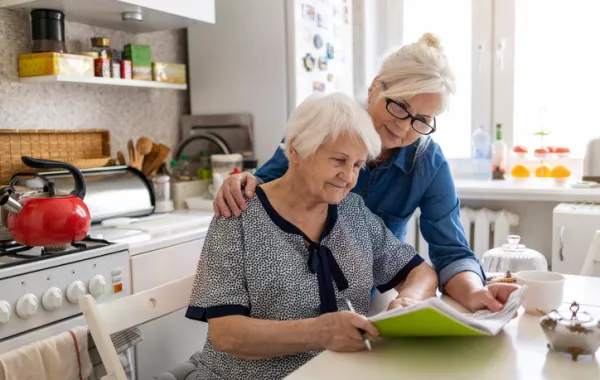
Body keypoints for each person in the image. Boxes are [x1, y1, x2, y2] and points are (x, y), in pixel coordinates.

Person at [213, 33, 520, 313]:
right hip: (287, 301)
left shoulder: (428, 163)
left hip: (362, 302)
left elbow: (451, 251)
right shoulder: (324, 125)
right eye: (399, 107)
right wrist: (241, 182)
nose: (402, 127)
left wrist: (476, 292)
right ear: (376, 86)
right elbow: (267, 188)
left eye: (421, 119)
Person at [186, 92, 438, 380]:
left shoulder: (353, 212)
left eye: (357, 165)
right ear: (296, 150)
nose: (348, 177)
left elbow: (421, 273)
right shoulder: (238, 214)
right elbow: (226, 334)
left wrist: (409, 301)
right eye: (338, 160)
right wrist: (321, 332)